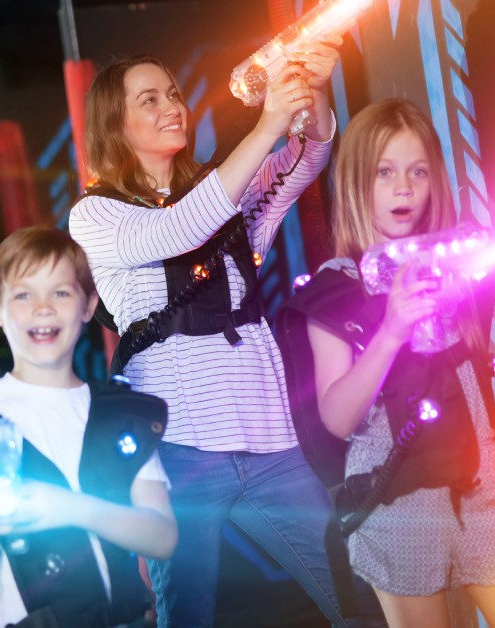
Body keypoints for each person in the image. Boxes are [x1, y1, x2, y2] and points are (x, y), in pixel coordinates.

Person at [68, 45, 382, 626]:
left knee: (352, 597)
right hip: (177, 454)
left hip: (272, 446)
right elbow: (180, 229)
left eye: (174, 93)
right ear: (116, 122)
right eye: (150, 98)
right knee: (184, 615)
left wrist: (311, 88)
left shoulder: (228, 197)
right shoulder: (95, 215)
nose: (172, 107)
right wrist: (265, 123)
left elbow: (306, 155)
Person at [282, 79, 495, 627]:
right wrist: (390, 330)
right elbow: (336, 419)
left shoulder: (458, 259)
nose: (403, 188)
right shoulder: (335, 290)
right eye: (384, 172)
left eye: (417, 171)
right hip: (394, 500)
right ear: (357, 182)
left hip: (482, 485)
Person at [0, 226, 177, 627]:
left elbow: (161, 537)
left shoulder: (122, 417)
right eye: (23, 294)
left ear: (89, 306)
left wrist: (71, 508)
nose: (43, 307)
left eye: (61, 292)